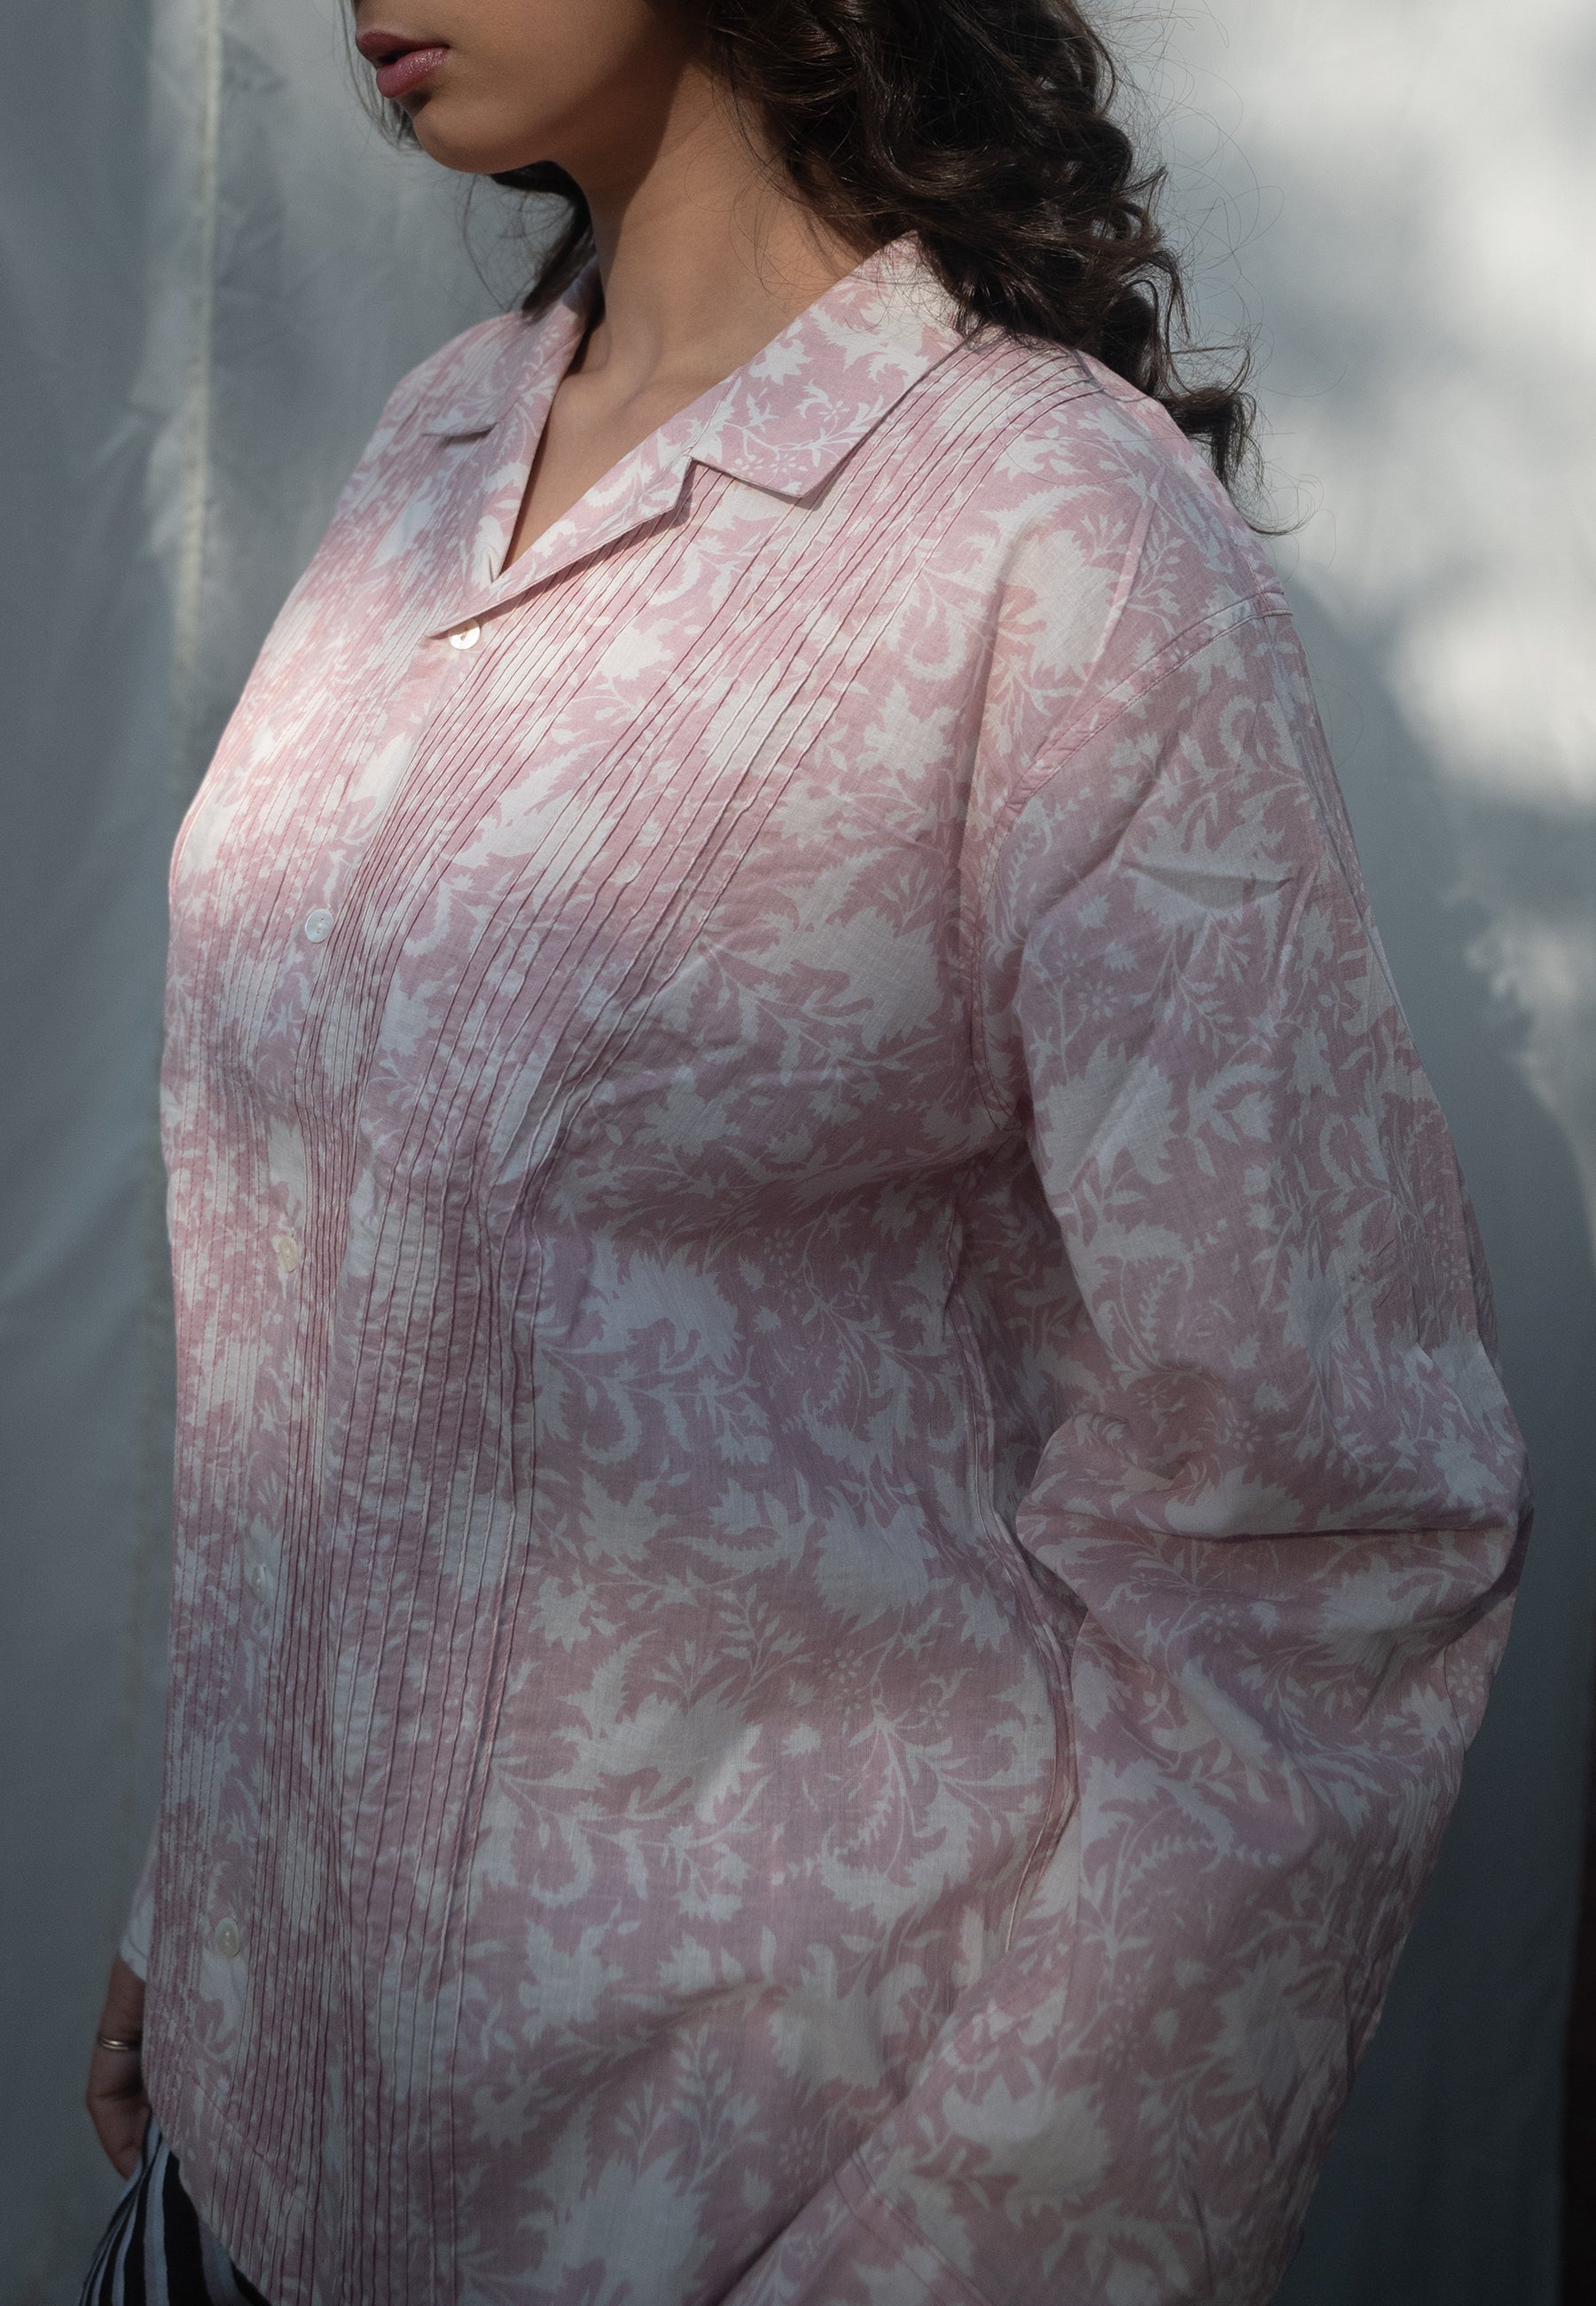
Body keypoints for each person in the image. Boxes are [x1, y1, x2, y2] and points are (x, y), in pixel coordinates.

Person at [82, 3, 1530, 2302]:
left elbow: (1320, 1545)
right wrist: (214, 1899)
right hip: (240, 2174)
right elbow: (330, 1276)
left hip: (734, 2203)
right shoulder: (441, 433)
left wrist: (971, 2258)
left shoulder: (1048, 541)